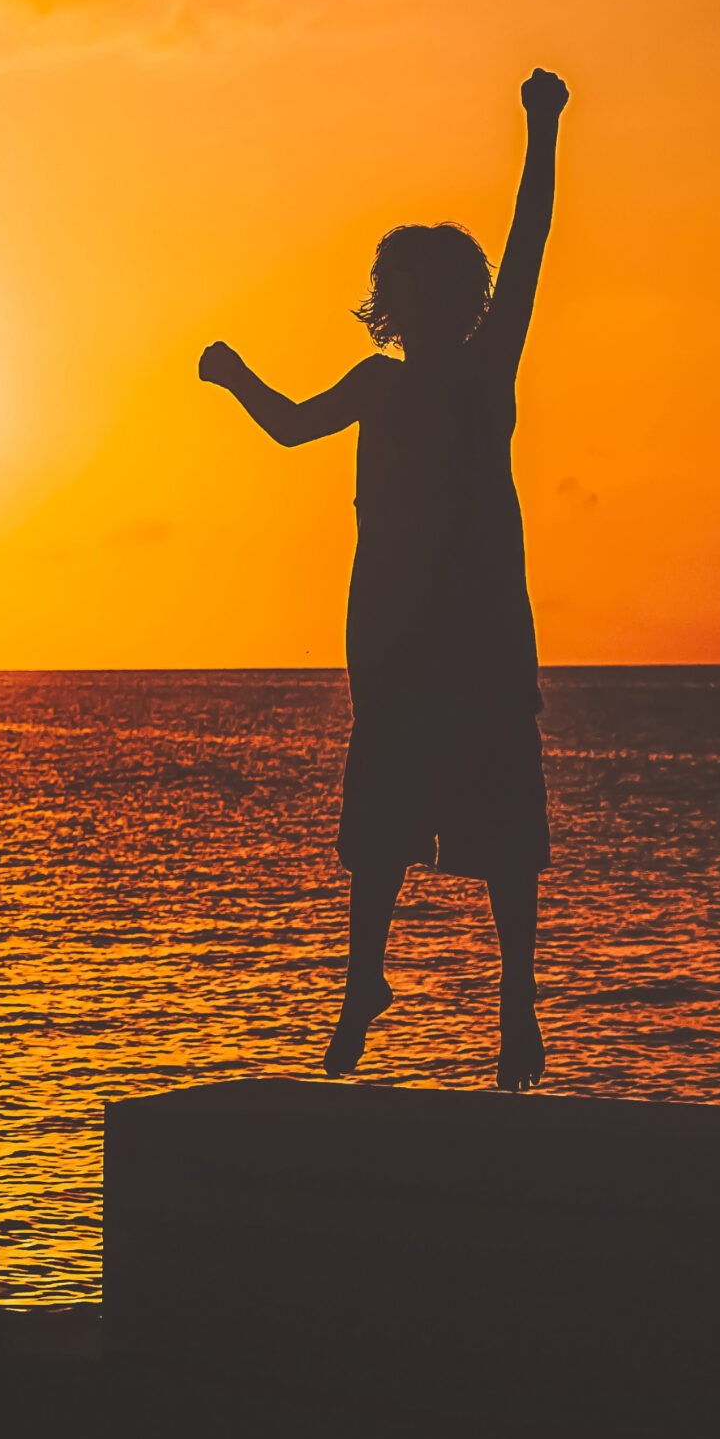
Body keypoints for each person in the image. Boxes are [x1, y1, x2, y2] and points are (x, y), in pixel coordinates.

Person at [200, 68, 569, 1092]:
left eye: (419, 285)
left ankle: (516, 1010)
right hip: (394, 642)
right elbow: (285, 427)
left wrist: (541, 130)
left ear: (453, 301)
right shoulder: (374, 383)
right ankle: (364, 980)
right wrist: (235, 378)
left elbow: (530, 240)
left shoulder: (485, 368)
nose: (402, 302)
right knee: (377, 827)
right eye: (394, 286)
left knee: (504, 837)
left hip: (481, 637)